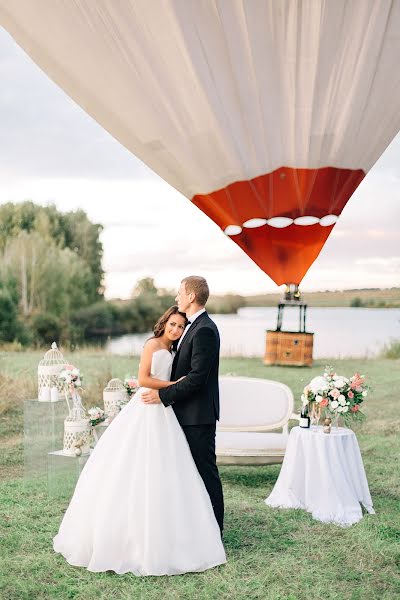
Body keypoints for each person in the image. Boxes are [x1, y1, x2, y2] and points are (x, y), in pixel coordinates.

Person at [53, 305, 226, 576]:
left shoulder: (174, 348)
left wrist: (173, 387)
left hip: (166, 413)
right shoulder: (152, 345)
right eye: (172, 324)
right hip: (147, 407)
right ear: (164, 322)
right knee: (134, 465)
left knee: (169, 469)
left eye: (180, 326)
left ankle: (173, 527)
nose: (176, 329)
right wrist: (172, 385)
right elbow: (144, 379)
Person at [142, 276, 224, 534]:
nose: (177, 297)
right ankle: (193, 528)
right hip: (184, 414)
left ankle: (214, 532)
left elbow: (197, 379)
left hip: (198, 416)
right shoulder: (191, 326)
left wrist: (163, 396)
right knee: (186, 474)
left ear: (191, 296)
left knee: (205, 472)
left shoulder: (205, 330)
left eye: (180, 292)